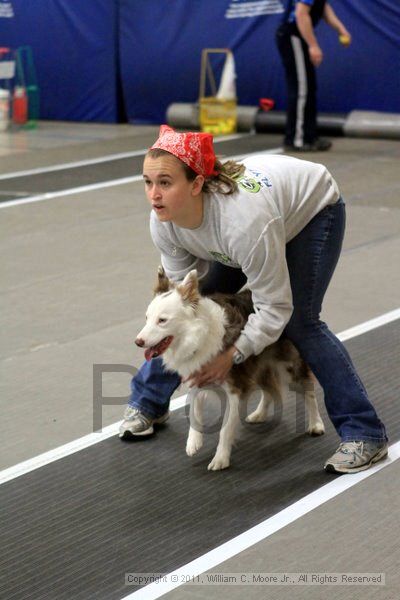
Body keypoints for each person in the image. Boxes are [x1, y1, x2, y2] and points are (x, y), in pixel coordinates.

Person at [120, 125, 388, 474]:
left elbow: (274, 307)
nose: (154, 194)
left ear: (197, 184)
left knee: (300, 323)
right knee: (193, 308)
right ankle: (149, 401)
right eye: (147, 182)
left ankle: (365, 433)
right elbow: (180, 302)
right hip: (246, 231)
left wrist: (232, 355)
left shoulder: (244, 224)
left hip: (311, 211)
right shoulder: (163, 221)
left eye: (165, 183)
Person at [276, 0, 352, 151]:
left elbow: (324, 8)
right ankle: (297, 139)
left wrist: (341, 29)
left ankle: (309, 136)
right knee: (301, 89)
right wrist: (313, 46)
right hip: (293, 36)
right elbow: (301, 14)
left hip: (301, 37)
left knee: (309, 88)